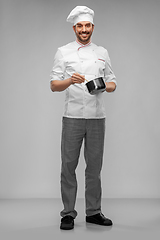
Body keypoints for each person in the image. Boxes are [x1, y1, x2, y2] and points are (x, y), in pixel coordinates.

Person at [50, 6, 117, 230]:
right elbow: (53, 85)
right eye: (80, 26)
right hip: (72, 117)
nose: (84, 30)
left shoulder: (102, 52)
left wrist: (103, 87)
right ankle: (68, 213)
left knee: (94, 168)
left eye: (87, 26)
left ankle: (94, 212)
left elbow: (113, 82)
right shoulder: (63, 52)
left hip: (97, 117)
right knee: (68, 166)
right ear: (74, 28)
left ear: (92, 27)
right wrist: (70, 81)